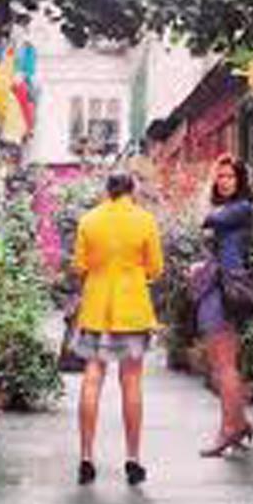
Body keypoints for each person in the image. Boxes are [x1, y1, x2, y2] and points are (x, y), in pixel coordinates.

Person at [71, 171, 164, 486]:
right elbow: (155, 268)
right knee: (132, 381)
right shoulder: (145, 220)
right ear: (132, 190)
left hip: (96, 308)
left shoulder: (89, 220)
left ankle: (86, 456)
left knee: (92, 379)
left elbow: (80, 266)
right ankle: (133, 458)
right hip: (132, 309)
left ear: (107, 191)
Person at [191, 154, 253, 457]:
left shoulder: (239, 209)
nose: (224, 181)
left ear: (240, 180)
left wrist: (208, 190)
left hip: (225, 291)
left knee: (224, 365)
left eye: (230, 176)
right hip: (220, 287)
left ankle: (228, 429)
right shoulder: (230, 210)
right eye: (220, 176)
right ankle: (239, 422)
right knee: (222, 364)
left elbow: (205, 218)